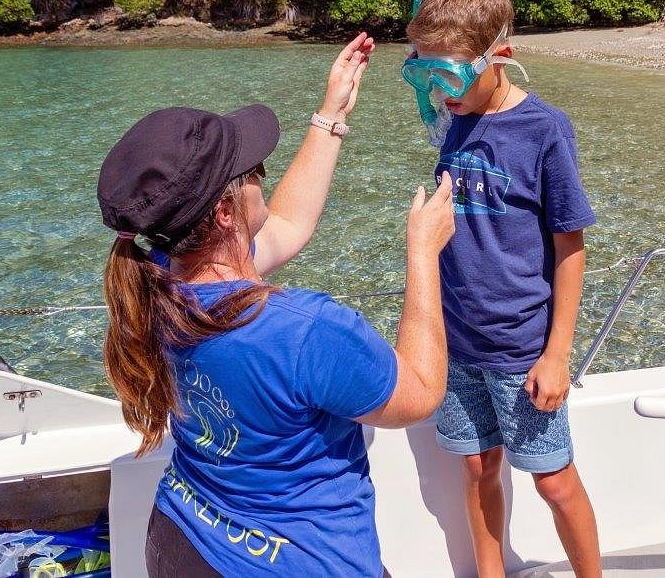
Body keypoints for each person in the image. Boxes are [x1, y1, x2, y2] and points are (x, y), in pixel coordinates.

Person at [96, 33, 456, 576]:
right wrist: (423, 254)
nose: (263, 172)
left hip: (181, 540)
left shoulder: (154, 282)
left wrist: (330, 117)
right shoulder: (303, 330)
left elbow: (286, 226)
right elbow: (421, 394)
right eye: (254, 170)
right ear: (223, 213)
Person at [402, 0, 602, 576]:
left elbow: (570, 247)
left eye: (453, 76)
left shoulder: (544, 130)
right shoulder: (451, 118)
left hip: (520, 347)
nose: (440, 92)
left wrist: (557, 353)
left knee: (552, 480)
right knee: (475, 465)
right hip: (457, 342)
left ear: (501, 57)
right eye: (424, 75)